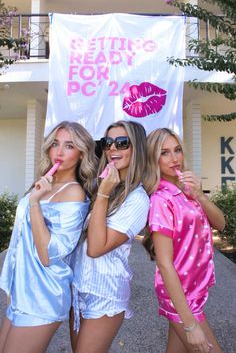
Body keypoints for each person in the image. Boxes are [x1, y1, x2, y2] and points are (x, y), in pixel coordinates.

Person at [0, 121, 97, 353]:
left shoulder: (74, 192)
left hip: (42, 293)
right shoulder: (46, 183)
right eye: (55, 143)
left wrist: (34, 202)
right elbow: (20, 241)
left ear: (82, 154)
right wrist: (12, 286)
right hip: (23, 288)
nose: (59, 151)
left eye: (69, 146)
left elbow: (47, 254)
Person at [70, 120, 150, 353]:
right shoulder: (102, 186)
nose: (113, 148)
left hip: (104, 293)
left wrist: (103, 195)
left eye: (122, 143)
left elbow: (96, 248)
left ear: (137, 149)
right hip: (79, 287)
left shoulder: (137, 199)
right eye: (107, 142)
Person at [143, 128, 225, 353]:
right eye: (165, 153)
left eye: (177, 150)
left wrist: (199, 195)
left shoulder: (187, 190)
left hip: (194, 289)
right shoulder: (161, 199)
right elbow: (164, 263)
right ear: (154, 159)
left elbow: (221, 224)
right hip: (180, 296)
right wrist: (190, 325)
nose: (175, 158)